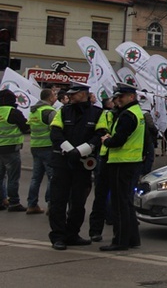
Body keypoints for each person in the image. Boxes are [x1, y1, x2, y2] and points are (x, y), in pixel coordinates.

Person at [48, 83, 108, 251]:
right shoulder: (63, 111)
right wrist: (69, 149)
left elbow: (100, 134)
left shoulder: (97, 113)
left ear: (83, 94)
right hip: (62, 162)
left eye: (74, 94)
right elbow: (55, 132)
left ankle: (72, 234)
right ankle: (58, 236)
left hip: (83, 164)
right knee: (59, 200)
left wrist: (82, 150)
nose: (70, 97)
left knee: (78, 202)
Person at [99, 83, 144, 251]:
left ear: (131, 97)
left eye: (120, 97)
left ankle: (120, 240)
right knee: (127, 202)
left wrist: (107, 141)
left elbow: (119, 140)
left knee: (120, 204)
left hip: (121, 162)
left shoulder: (127, 115)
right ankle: (132, 238)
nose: (117, 100)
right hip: (131, 162)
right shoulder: (136, 112)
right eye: (116, 98)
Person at [26, 88, 58, 214]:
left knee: (36, 178)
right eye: (54, 96)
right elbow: (56, 129)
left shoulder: (34, 111)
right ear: (50, 98)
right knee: (52, 177)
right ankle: (51, 205)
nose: (55, 98)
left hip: (35, 147)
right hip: (48, 147)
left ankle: (31, 204)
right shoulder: (49, 111)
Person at [88, 97, 115, 242]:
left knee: (120, 197)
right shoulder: (105, 115)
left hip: (122, 162)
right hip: (105, 158)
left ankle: (121, 231)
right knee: (101, 196)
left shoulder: (129, 114)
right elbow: (100, 133)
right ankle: (95, 231)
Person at [0, 89, 30, 212]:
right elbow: (25, 128)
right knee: (13, 177)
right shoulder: (14, 113)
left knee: (0, 177)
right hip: (11, 149)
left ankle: (1, 201)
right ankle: (14, 202)